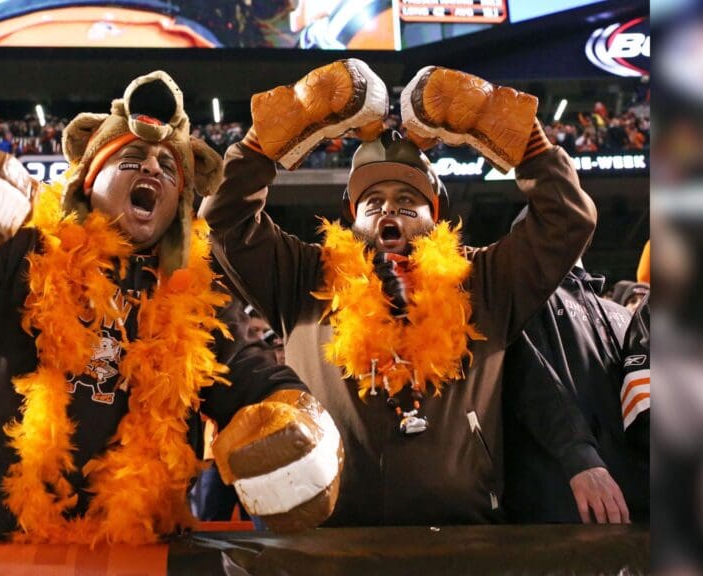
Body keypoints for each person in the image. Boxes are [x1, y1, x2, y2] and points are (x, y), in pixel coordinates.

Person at [0, 71, 342, 544]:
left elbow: (248, 374)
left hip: (137, 550)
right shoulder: (23, 246)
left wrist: (284, 416)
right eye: (132, 158)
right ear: (89, 178)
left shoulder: (199, 294)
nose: (153, 168)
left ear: (179, 202)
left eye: (169, 167)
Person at [200, 60, 596, 525]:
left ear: (436, 216)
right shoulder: (306, 276)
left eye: (407, 201)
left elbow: (568, 221)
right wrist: (275, 132)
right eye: (373, 202)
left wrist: (516, 133)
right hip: (330, 541)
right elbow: (225, 219)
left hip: (465, 542)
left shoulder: (484, 279)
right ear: (352, 219)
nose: (389, 209)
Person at [502, 217, 642, 524]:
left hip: (635, 499)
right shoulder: (516, 298)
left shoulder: (623, 315)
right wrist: (579, 457)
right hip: (558, 500)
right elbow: (529, 384)